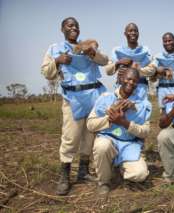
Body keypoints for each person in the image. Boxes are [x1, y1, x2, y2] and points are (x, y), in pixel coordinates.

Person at [41, 17, 109, 195]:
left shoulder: (87, 46)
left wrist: (92, 53)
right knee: (71, 137)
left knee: (90, 135)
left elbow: (104, 61)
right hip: (73, 97)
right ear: (62, 29)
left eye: (76, 26)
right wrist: (57, 61)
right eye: (70, 26)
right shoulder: (55, 49)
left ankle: (83, 172)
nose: (74, 28)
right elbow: (46, 73)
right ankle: (64, 176)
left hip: (93, 96)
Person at [87, 68, 151, 194]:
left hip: (129, 144)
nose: (131, 82)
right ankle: (104, 182)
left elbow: (145, 132)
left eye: (135, 80)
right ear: (121, 78)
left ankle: (119, 167)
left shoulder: (143, 104)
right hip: (108, 140)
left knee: (140, 175)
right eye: (128, 79)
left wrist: (124, 122)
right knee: (102, 146)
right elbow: (90, 125)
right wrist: (110, 119)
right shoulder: (105, 98)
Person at [141, 32, 174, 109]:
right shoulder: (157, 57)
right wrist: (158, 71)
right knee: (165, 118)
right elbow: (152, 77)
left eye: (170, 40)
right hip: (164, 95)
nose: (168, 43)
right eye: (165, 41)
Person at [105, 23, 155, 100]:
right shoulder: (117, 50)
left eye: (135, 31)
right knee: (121, 110)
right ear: (125, 33)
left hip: (141, 89)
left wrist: (136, 70)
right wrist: (118, 63)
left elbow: (152, 70)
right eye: (130, 31)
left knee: (139, 110)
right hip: (122, 88)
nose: (133, 33)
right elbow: (108, 71)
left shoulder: (146, 50)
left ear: (138, 33)